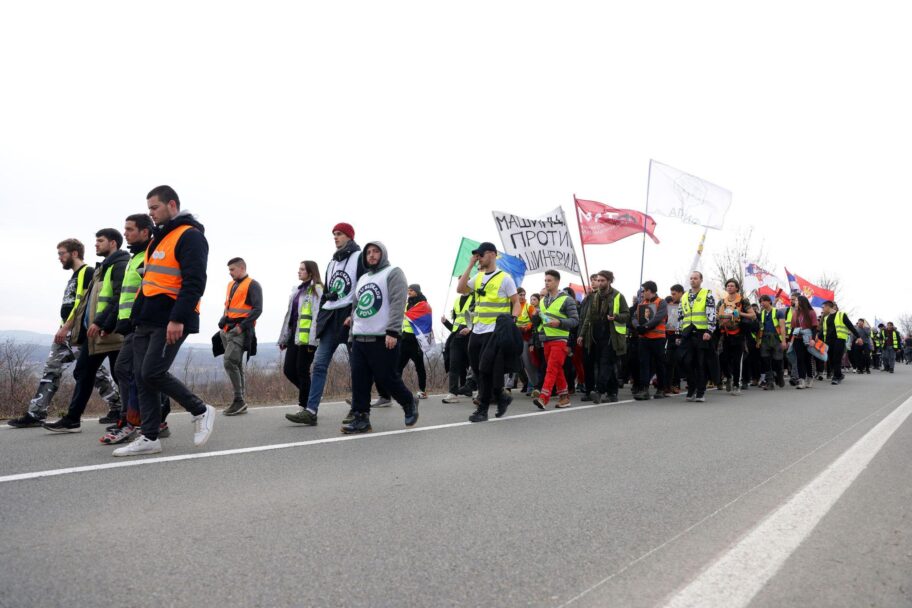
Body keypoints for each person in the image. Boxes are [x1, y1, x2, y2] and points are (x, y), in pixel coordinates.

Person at [111, 185, 215, 456]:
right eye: (149, 209)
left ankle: (201, 410)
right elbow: (151, 281)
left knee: (152, 372)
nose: (151, 214)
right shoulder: (159, 238)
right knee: (142, 378)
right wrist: (135, 318)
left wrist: (178, 318)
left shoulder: (190, 236)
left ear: (172, 205)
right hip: (146, 318)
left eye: (155, 208)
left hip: (170, 319)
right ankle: (149, 437)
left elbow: (195, 281)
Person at [7, 239, 121, 428]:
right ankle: (36, 413)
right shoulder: (74, 276)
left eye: (62, 253)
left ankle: (116, 407)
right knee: (53, 370)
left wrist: (67, 327)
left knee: (94, 373)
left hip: (77, 333)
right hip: (67, 331)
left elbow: (84, 305)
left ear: (74, 253)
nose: (59, 258)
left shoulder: (88, 273)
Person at [43, 229, 130, 432]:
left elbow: (119, 297)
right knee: (84, 371)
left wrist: (102, 323)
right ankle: (73, 420)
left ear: (113, 243)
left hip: (111, 333)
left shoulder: (119, 265)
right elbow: (87, 302)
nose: (96, 244)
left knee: (123, 375)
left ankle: (139, 416)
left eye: (100, 241)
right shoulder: (103, 268)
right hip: (96, 335)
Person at [287, 223, 365, 425]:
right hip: (331, 317)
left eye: (339, 234)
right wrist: (323, 311)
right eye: (334, 235)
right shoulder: (331, 262)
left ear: (349, 236)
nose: (335, 237)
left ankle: (358, 408)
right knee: (319, 364)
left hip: (349, 315)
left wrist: (355, 313)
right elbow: (328, 291)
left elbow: (364, 287)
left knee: (356, 366)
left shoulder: (359, 257)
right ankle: (310, 411)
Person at [342, 242, 418, 433]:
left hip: (383, 337)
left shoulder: (393, 272)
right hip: (360, 337)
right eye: (368, 252)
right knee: (359, 379)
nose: (372, 255)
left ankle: (409, 401)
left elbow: (398, 302)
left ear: (382, 254)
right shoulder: (363, 279)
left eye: (375, 251)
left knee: (386, 378)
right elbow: (356, 309)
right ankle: (361, 418)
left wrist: (393, 331)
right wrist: (352, 336)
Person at [100, 214, 154, 444]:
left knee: (131, 371)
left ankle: (132, 420)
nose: (126, 233)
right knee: (134, 372)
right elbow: (123, 295)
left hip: (140, 323)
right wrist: (112, 323)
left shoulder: (146, 257)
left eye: (130, 229)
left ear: (144, 232)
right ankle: (149, 418)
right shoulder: (134, 258)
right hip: (128, 325)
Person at [456, 242, 521, 423]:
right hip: (477, 329)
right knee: (477, 369)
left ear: (492, 254)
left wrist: (512, 319)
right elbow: (460, 289)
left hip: (495, 331)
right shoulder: (478, 277)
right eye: (477, 255)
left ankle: (482, 409)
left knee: (485, 369)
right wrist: (470, 265)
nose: (479, 258)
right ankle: (502, 397)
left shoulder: (505, 278)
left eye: (481, 255)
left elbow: (516, 302)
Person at [218, 257, 263, 415]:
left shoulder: (253, 284)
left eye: (232, 270)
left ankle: (239, 400)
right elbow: (229, 305)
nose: (230, 273)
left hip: (240, 330)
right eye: (229, 270)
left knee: (230, 361)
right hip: (227, 329)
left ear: (242, 268)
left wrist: (241, 328)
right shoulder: (231, 284)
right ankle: (240, 401)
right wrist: (223, 318)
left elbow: (257, 309)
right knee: (235, 364)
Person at [280, 261, 323, 419]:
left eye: (302, 269)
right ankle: (313, 395)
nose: (299, 272)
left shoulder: (317, 290)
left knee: (302, 370)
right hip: (294, 336)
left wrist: (314, 338)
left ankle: (305, 406)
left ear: (311, 272)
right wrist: (285, 337)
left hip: (308, 338)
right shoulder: (297, 291)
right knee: (289, 370)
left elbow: (317, 315)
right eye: (299, 269)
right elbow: (290, 317)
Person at [578, 270, 628, 404]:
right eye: (598, 280)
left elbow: (626, 315)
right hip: (595, 336)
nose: (599, 283)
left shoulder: (618, 296)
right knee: (605, 365)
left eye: (602, 281)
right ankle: (612, 393)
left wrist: (615, 317)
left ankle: (599, 391)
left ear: (609, 281)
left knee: (606, 363)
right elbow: (588, 317)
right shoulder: (594, 296)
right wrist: (582, 335)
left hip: (612, 336)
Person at [530, 270, 579, 409]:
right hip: (546, 339)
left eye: (549, 280)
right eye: (545, 280)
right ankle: (564, 397)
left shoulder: (567, 299)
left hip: (560, 339)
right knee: (556, 369)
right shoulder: (543, 300)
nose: (546, 283)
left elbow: (575, 321)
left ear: (557, 282)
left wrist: (559, 323)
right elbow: (538, 322)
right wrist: (536, 315)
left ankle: (543, 398)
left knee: (551, 369)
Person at [677, 271, 716, 402]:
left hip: (702, 333)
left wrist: (709, 331)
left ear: (701, 280)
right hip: (687, 333)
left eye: (695, 278)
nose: (693, 280)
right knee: (686, 362)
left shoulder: (707, 294)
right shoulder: (684, 296)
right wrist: (679, 333)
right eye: (691, 278)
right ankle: (692, 386)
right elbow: (680, 316)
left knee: (700, 364)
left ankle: (700, 391)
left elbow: (711, 314)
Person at [716, 279, 756, 395]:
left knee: (737, 361)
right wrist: (722, 318)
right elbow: (717, 315)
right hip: (725, 334)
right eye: (728, 286)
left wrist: (739, 313)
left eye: (732, 286)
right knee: (723, 358)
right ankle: (728, 377)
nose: (729, 287)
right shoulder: (722, 301)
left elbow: (752, 315)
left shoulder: (743, 300)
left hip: (739, 334)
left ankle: (736, 385)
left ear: (737, 288)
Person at [633, 281, 668, 400]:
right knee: (643, 364)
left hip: (658, 338)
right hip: (644, 338)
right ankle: (644, 389)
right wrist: (637, 326)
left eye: (644, 290)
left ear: (649, 290)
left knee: (660, 364)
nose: (642, 293)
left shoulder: (661, 302)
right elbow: (634, 316)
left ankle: (661, 388)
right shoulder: (641, 303)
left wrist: (646, 327)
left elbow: (659, 317)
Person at [441, 290, 475, 403]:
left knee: (474, 364)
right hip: (457, 336)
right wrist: (446, 322)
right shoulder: (456, 301)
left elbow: (479, 317)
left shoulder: (475, 298)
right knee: (454, 364)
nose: (460, 283)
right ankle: (453, 393)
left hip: (471, 335)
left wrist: (470, 328)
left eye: (462, 280)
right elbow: (455, 325)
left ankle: (479, 391)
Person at [819, 301, 862, 385]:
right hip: (828, 341)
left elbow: (850, 326)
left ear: (828, 307)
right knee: (830, 359)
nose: (822, 309)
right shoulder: (826, 318)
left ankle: (836, 377)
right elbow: (823, 331)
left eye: (823, 307)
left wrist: (859, 337)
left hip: (839, 340)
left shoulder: (841, 315)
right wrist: (817, 337)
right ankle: (839, 374)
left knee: (836, 359)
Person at [756, 295, 787, 390]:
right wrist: (758, 341)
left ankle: (780, 376)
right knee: (765, 361)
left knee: (777, 360)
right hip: (765, 339)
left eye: (764, 301)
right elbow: (759, 328)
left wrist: (784, 341)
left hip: (776, 339)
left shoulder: (778, 312)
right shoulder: (761, 314)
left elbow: (782, 327)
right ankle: (770, 382)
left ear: (769, 301)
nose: (762, 303)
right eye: (761, 302)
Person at [788, 295, 818, 389]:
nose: (795, 302)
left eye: (796, 300)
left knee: (807, 359)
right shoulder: (795, 313)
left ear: (801, 302)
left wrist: (813, 339)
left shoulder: (811, 312)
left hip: (808, 339)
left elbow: (814, 327)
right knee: (799, 359)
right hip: (797, 338)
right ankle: (802, 380)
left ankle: (810, 378)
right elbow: (793, 328)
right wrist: (789, 340)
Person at [664, 285, 684, 394]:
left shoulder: (685, 304)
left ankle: (676, 384)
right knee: (669, 361)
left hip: (683, 335)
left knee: (679, 361)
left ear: (681, 293)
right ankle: (667, 385)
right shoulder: (669, 305)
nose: (672, 296)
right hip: (671, 335)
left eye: (674, 294)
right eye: (671, 294)